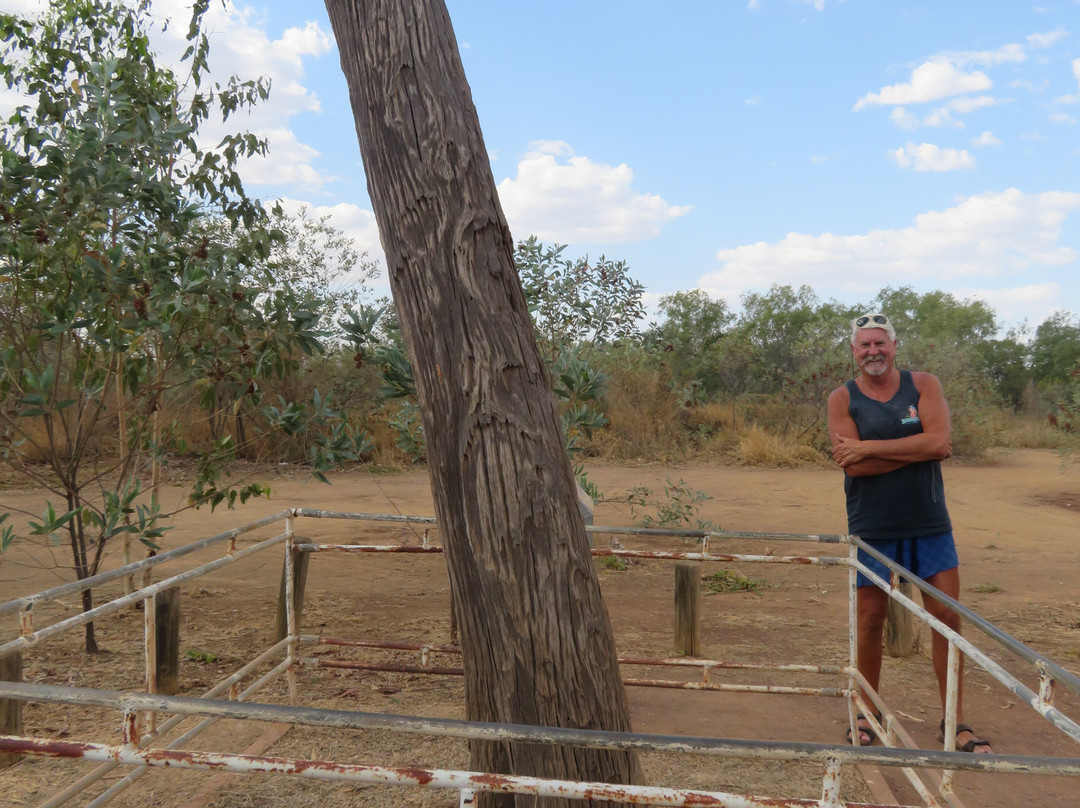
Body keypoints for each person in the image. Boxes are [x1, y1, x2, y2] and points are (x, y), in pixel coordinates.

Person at [826, 312, 992, 753]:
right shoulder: (842, 398)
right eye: (865, 345)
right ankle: (866, 711)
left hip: (929, 523)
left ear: (895, 346)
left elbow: (940, 443)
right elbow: (853, 465)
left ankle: (955, 720)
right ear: (854, 352)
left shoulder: (924, 385)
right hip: (872, 525)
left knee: (948, 619)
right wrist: (914, 449)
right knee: (870, 619)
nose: (873, 352)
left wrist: (870, 447)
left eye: (881, 343)